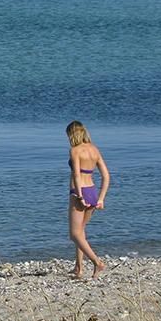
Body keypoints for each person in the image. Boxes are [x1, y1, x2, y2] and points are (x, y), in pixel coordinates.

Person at [67, 120, 110, 279]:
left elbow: (77, 175)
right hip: (92, 191)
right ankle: (79, 268)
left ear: (72, 134)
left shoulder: (75, 150)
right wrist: (101, 198)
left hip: (79, 192)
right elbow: (106, 176)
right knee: (81, 232)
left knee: (74, 234)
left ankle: (97, 262)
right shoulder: (94, 149)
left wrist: (79, 196)